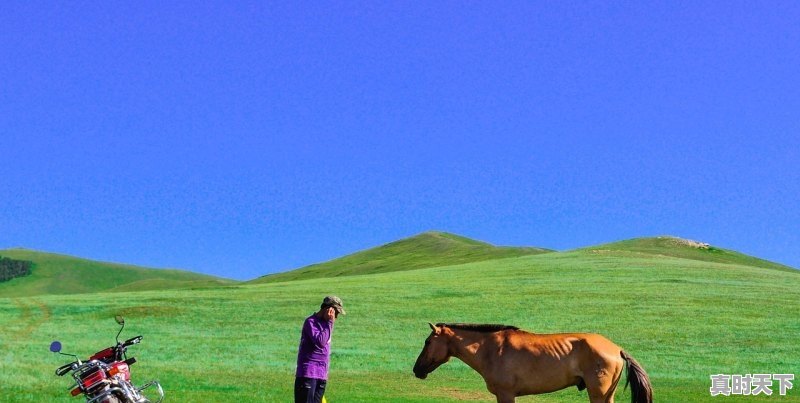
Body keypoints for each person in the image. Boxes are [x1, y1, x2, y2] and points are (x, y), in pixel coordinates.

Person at [295, 295, 345, 403]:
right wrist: (330, 323)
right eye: (336, 312)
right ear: (328, 309)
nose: (336, 317)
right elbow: (320, 342)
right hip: (308, 373)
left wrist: (329, 324)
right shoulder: (311, 322)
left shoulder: (327, 324)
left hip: (321, 374)